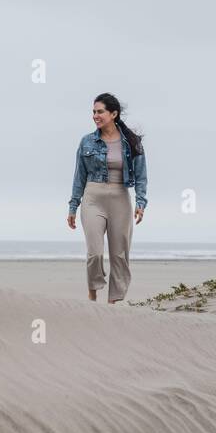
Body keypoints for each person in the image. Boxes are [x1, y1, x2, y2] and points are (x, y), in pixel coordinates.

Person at [66, 93, 148, 302]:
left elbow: (141, 176)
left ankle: (113, 302)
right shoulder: (87, 142)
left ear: (113, 114)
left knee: (119, 255)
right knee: (94, 252)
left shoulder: (131, 142)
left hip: (120, 198)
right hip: (93, 197)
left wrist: (141, 203)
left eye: (100, 111)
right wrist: (73, 206)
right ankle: (92, 292)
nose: (95, 115)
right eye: (94, 111)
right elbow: (79, 177)